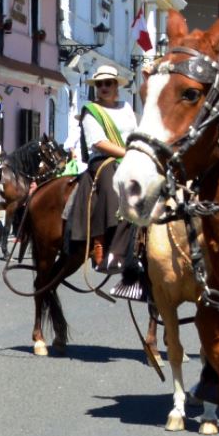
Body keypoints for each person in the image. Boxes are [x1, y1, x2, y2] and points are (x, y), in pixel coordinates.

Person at [63, 64, 144, 295]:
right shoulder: (91, 110)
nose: (104, 87)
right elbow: (97, 142)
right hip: (105, 160)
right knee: (112, 187)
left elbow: (135, 132)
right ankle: (110, 249)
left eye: (108, 83)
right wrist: (127, 153)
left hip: (131, 156)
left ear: (116, 85)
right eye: (100, 84)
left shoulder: (126, 107)